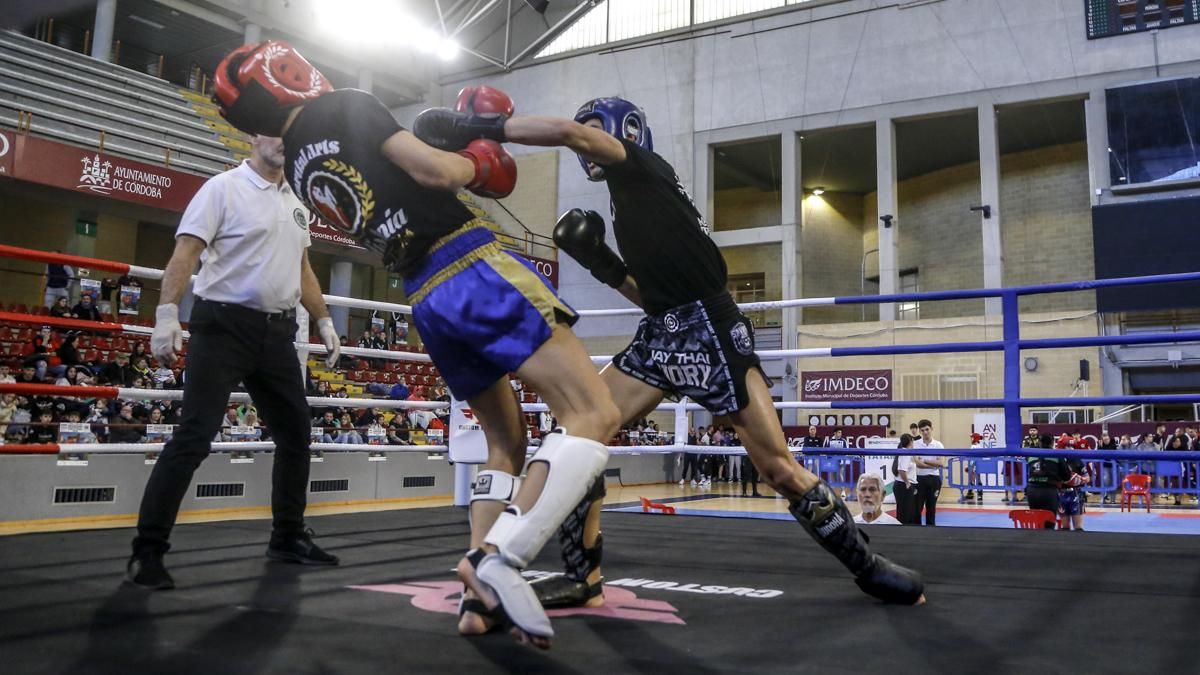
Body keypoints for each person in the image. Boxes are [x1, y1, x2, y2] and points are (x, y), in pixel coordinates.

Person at [415, 92, 924, 613]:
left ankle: (868, 565)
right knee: (578, 434)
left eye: (597, 129)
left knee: (776, 468)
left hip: (711, 330)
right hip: (662, 331)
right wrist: (604, 266)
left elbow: (572, 134)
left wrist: (481, 127)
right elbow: (655, 296)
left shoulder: (644, 168)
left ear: (625, 130)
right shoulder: (625, 197)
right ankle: (583, 578)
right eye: (587, 133)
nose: (587, 145)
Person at [212, 41, 621, 647]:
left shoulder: (297, 161)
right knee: (595, 411)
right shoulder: (347, 104)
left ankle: (477, 602)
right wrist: (480, 159)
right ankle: (498, 561)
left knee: (505, 442)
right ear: (284, 77)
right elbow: (436, 172)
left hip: (426, 297)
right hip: (470, 264)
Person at [124, 131, 344, 591]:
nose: (284, 139)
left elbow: (302, 268)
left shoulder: (296, 201)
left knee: (296, 433)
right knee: (195, 435)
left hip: (277, 334)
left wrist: (323, 319)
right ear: (252, 137)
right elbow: (185, 253)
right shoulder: (221, 188)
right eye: (273, 130)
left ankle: (287, 537)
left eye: (290, 130)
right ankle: (147, 551)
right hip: (222, 327)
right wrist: (167, 313)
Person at [1025, 434, 1075, 528]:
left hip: (1032, 490)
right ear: (1052, 443)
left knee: (1037, 521)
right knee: (1049, 522)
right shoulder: (1056, 455)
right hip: (1049, 491)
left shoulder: (1031, 455)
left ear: (1039, 442)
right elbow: (1067, 476)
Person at [912, 419, 946, 525]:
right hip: (919, 479)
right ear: (920, 432)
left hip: (934, 479)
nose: (925, 432)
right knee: (917, 507)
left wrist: (925, 460)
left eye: (927, 429)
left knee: (931, 507)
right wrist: (933, 463)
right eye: (922, 430)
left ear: (931, 429)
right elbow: (917, 463)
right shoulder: (916, 444)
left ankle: (930, 531)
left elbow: (941, 463)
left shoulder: (938, 445)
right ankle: (916, 530)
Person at [892, 433, 919, 524]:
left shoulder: (904, 452)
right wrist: (907, 483)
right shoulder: (906, 453)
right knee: (905, 512)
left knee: (905, 511)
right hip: (903, 486)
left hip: (902, 485)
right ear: (911, 441)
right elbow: (901, 470)